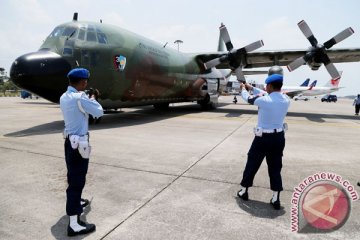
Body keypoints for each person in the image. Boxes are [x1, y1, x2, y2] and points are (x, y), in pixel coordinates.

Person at [60, 68, 104, 236]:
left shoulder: (64, 96)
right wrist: (92, 97)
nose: (86, 84)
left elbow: (79, 105)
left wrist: (86, 96)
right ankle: (74, 225)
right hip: (79, 145)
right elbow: (99, 111)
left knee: (72, 175)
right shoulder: (81, 97)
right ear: (83, 82)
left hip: (69, 142)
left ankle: (76, 202)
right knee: (77, 181)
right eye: (85, 81)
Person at [236, 73, 290, 210]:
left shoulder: (264, 100)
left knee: (252, 163)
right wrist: (250, 87)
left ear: (270, 86)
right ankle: (276, 198)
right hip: (279, 138)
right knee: (275, 167)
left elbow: (248, 98)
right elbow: (266, 93)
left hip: (262, 139)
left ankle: (243, 190)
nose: (265, 87)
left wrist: (243, 88)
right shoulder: (286, 99)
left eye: (267, 85)